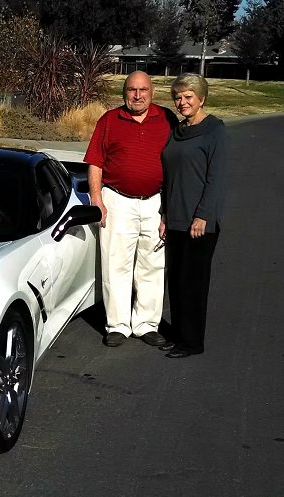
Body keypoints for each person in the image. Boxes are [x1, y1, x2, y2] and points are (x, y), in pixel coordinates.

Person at [84, 71, 177, 347]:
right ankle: (118, 325)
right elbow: (95, 161)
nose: (138, 95)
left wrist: (170, 207)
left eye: (143, 90)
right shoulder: (109, 120)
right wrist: (96, 198)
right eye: (132, 90)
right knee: (116, 263)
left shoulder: (167, 119)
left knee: (152, 264)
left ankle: (147, 324)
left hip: (155, 201)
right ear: (124, 93)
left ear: (152, 92)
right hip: (117, 199)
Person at [159, 73, 228, 358]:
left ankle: (192, 342)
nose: (182, 102)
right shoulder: (177, 131)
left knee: (193, 283)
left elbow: (216, 178)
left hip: (199, 222)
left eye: (188, 96)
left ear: (201, 98)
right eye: (178, 97)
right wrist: (164, 214)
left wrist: (202, 216)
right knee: (175, 281)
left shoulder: (215, 131)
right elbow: (168, 175)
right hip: (174, 217)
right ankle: (178, 334)